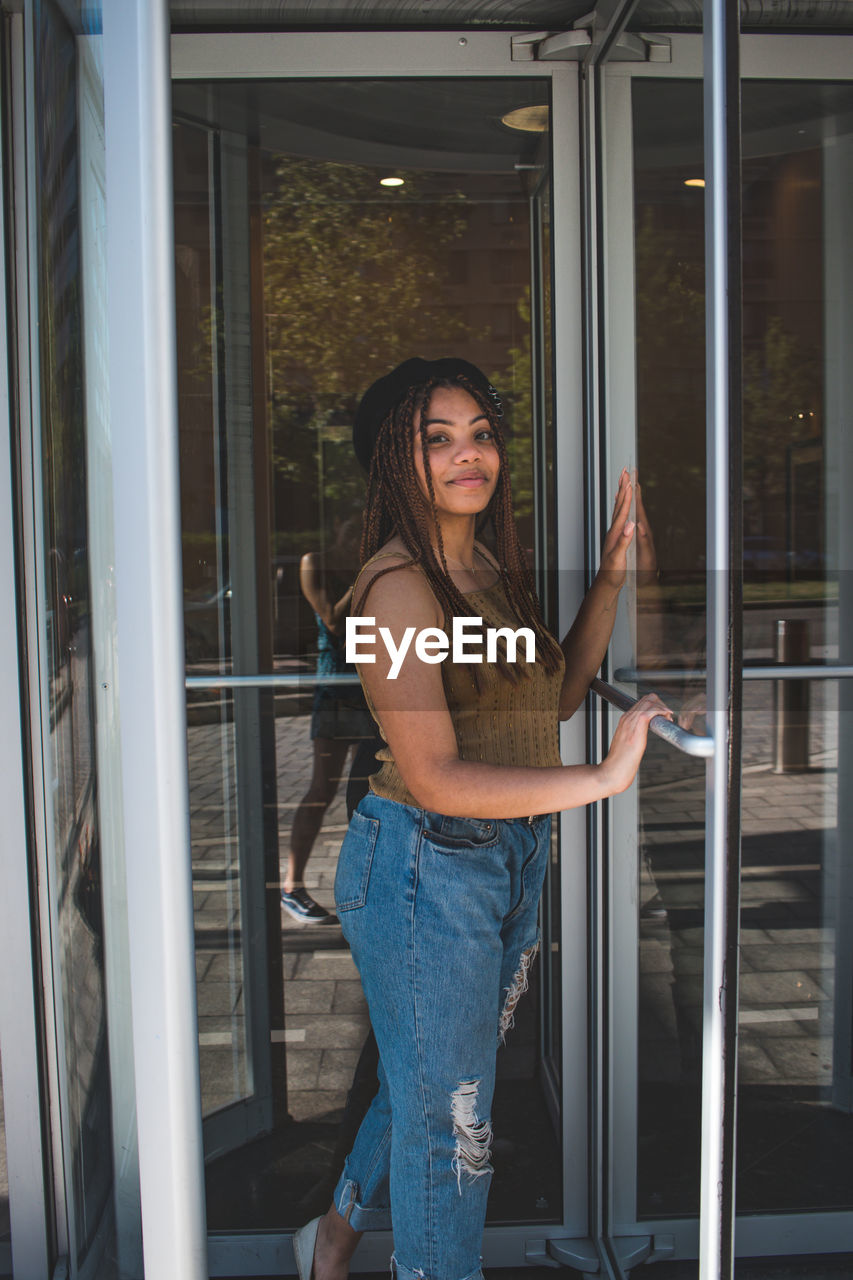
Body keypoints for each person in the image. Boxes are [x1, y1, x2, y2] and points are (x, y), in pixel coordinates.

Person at [294, 357, 670, 1280]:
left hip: (499, 858)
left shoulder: (485, 570)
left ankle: (330, 1241)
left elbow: (544, 704)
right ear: (396, 462)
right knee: (455, 1119)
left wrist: (611, 578)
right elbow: (438, 775)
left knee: (429, 1085)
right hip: (425, 866)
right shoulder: (396, 589)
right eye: (438, 439)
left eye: (481, 433)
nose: (470, 454)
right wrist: (601, 777)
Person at [281, 515, 377, 924]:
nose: (355, 533)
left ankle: (365, 889)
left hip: (372, 690)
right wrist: (365, 576)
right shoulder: (314, 563)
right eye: (351, 526)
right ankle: (291, 886)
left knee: (368, 795)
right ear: (335, 527)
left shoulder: (374, 567)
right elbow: (333, 621)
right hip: (336, 689)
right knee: (322, 789)